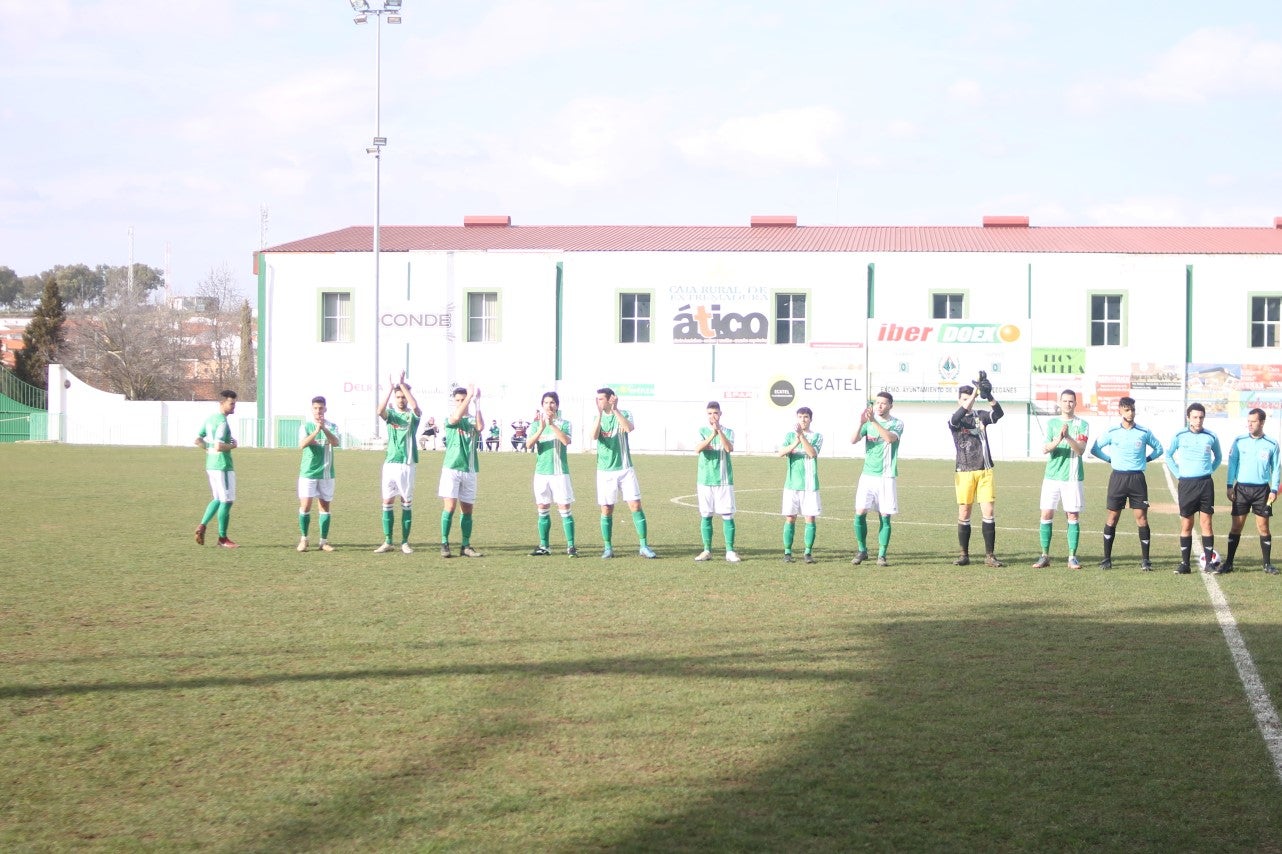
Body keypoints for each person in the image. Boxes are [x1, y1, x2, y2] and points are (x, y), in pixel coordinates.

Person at [1089, 396, 1163, 570]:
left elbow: (1159, 449)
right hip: (1118, 479)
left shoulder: (1144, 432)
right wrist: (1110, 460)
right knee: (1112, 517)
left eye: (1133, 410)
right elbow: (1094, 449)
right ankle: (1106, 559)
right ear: (1120, 411)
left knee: (1142, 518)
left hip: (1137, 479)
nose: (1131, 413)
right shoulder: (1112, 431)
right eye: (1127, 410)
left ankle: (1146, 560)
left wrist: (1146, 459)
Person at [592, 387, 657, 559]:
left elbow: (628, 429)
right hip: (605, 471)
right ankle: (608, 548)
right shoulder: (597, 418)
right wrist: (599, 415)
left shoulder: (624, 413)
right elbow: (593, 436)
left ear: (610, 399)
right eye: (597, 399)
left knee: (635, 505)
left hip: (625, 468)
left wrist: (616, 410)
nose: (598, 402)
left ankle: (643, 545)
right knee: (606, 509)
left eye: (601, 399)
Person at [948, 375, 1005, 567]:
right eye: (964, 399)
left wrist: (988, 395)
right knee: (964, 512)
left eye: (970, 398)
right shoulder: (954, 420)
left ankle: (990, 555)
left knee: (988, 511)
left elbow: (998, 414)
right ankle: (964, 554)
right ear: (959, 400)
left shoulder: (980, 415)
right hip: (964, 471)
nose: (968, 402)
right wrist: (974, 392)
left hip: (985, 470)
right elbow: (958, 415)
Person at [1032, 389, 1090, 569]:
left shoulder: (1082, 424)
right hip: (1052, 476)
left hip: (1072, 478)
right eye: (1065, 401)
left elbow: (1080, 450)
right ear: (1059, 402)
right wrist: (1059, 439)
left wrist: (1068, 437)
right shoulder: (1052, 424)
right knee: (1046, 513)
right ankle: (1044, 555)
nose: (1068, 404)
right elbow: (1045, 448)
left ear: (1075, 403)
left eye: (1071, 401)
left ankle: (1072, 557)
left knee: (1072, 515)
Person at [1166, 402, 1223, 574]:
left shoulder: (1211, 436)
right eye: (1195, 417)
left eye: (1201, 417)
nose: (1198, 420)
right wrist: (1178, 474)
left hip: (1205, 484)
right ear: (1188, 418)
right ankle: (1185, 564)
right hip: (1187, 485)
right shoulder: (1179, 435)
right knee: (1187, 523)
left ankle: (1208, 564)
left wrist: (1209, 471)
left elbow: (1218, 457)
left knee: (1206, 523)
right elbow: (1168, 455)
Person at [1223, 408, 1281, 575]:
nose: (1249, 424)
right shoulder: (1239, 441)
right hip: (1241, 489)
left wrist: (1274, 489)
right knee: (1236, 527)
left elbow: (1276, 469)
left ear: (1262, 422)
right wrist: (1229, 485)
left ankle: (1267, 564)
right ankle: (1229, 563)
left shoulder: (1272, 444)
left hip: (1262, 491)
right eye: (1248, 421)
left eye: (1253, 421)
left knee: (1263, 527)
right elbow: (1232, 464)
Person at [851, 392, 904, 567]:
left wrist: (873, 421)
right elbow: (853, 440)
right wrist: (861, 423)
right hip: (867, 475)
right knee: (860, 513)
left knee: (885, 516)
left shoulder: (897, 423)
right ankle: (862, 550)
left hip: (886, 476)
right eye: (877, 403)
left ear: (890, 405)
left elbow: (889, 438)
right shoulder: (868, 423)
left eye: (883, 403)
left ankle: (882, 555)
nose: (879, 406)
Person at [374, 373, 421, 554]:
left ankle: (404, 542)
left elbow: (416, 407)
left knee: (406, 502)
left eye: (404, 396)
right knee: (387, 501)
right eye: (398, 396)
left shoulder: (412, 417)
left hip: (406, 464)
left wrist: (402, 385)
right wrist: (390, 388)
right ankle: (388, 541)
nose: (401, 399)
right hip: (390, 464)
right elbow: (379, 411)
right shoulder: (391, 415)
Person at [527, 391, 577, 557]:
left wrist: (552, 425)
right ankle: (544, 546)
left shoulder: (564, 423)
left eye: (552, 402)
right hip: (541, 473)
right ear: (542, 405)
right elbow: (528, 444)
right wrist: (541, 427)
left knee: (564, 509)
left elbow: (566, 441)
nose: (549, 405)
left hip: (559, 473)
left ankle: (571, 546)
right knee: (542, 508)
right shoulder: (535, 425)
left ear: (557, 405)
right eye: (546, 403)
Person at [438, 386, 484, 558]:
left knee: (467, 510)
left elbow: (480, 426)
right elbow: (456, 417)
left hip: (470, 469)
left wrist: (477, 403)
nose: (461, 403)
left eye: (463, 400)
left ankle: (465, 545)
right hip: (451, 468)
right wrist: (469, 395)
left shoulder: (472, 420)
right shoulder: (450, 418)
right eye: (458, 400)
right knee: (449, 507)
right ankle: (444, 542)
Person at [694, 401, 740, 562]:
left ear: (720, 414)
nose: (712, 416)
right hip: (705, 480)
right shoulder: (702, 431)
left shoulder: (728, 431)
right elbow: (698, 448)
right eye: (709, 413)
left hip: (724, 480)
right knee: (706, 515)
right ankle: (707, 550)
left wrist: (719, 431)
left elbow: (728, 448)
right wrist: (712, 435)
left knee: (727, 515)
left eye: (715, 413)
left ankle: (730, 551)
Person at [194, 390, 239, 548]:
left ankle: (202, 526)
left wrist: (207, 448)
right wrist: (233, 445)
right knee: (227, 501)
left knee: (218, 498)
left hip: (211, 465)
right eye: (231, 403)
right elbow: (220, 446)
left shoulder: (209, 419)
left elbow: (198, 439)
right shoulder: (221, 422)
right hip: (222, 466)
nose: (234, 406)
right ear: (222, 403)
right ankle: (222, 538)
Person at [778, 406, 822, 563]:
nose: (803, 420)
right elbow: (781, 452)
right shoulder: (790, 436)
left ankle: (808, 553)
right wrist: (796, 441)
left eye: (806, 417)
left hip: (810, 485)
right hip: (791, 485)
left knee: (810, 518)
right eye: (800, 417)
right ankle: (787, 553)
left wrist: (802, 436)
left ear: (811, 419)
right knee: (790, 518)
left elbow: (812, 453)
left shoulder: (817, 436)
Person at [297, 395, 340, 552]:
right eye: (315, 408)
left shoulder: (332, 426)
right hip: (308, 472)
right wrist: (316, 431)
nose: (318, 411)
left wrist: (324, 429)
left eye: (321, 408)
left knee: (324, 506)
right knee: (305, 505)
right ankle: (304, 539)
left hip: (326, 473)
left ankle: (324, 541)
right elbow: (302, 444)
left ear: (325, 409)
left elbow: (336, 442)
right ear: (312, 409)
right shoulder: (306, 426)